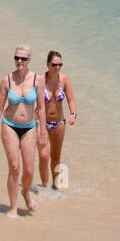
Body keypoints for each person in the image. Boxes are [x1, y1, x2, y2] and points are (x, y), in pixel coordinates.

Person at [0, 45, 47, 217]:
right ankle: (13, 207)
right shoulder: (7, 80)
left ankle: (25, 193)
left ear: (29, 60)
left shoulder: (37, 79)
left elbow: (41, 108)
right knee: (14, 167)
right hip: (9, 125)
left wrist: (42, 131)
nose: (19, 62)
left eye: (23, 58)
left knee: (29, 170)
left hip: (29, 127)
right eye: (16, 58)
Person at [37, 50, 77, 190]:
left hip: (59, 123)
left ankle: (55, 187)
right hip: (42, 123)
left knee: (55, 158)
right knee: (43, 156)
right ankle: (43, 186)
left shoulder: (64, 79)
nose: (57, 67)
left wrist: (73, 113)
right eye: (54, 64)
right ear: (48, 64)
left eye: (60, 64)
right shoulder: (40, 80)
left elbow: (71, 100)